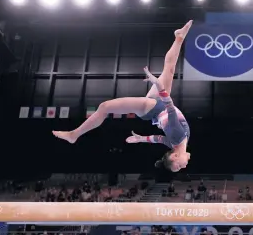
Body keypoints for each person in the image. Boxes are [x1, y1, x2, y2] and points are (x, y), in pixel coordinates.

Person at [53, 20, 193, 172]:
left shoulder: (177, 137)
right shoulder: (176, 143)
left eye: (178, 166)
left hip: (153, 108)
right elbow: (157, 139)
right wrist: (141, 139)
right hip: (158, 107)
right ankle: (179, 37)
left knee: (105, 107)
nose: (184, 166)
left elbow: (170, 107)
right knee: (169, 69)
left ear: (175, 157)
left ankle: (74, 135)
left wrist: (158, 85)